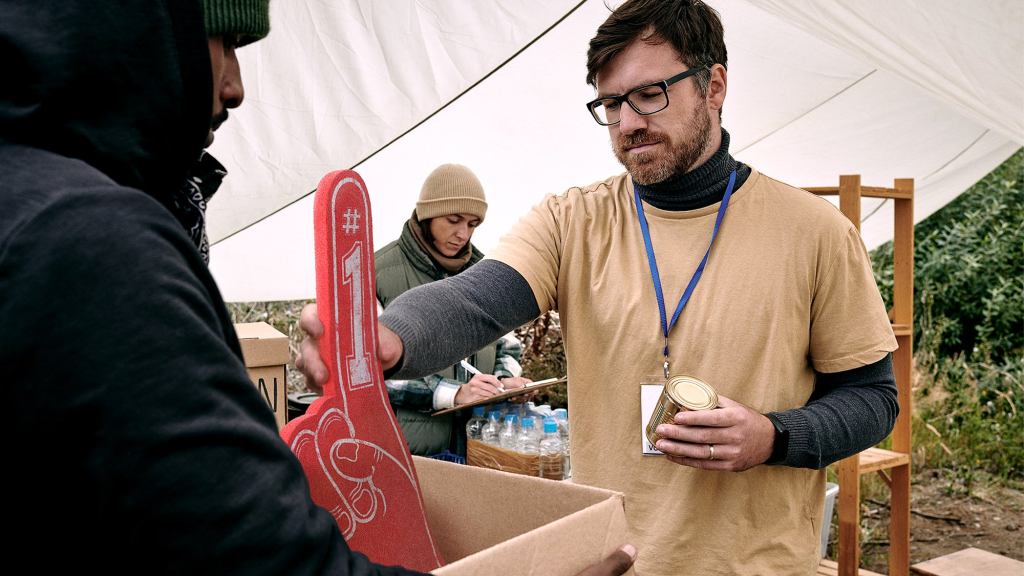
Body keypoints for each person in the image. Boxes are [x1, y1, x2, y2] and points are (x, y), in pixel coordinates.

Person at [0, 0, 635, 574]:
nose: (236, 87)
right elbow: (261, 555)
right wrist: (389, 344)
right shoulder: (88, 239)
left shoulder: (40, 202)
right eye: (221, 42)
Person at [299, 0, 899, 574]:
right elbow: (474, 300)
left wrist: (773, 436)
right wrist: (388, 337)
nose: (629, 123)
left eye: (649, 94)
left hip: (754, 566)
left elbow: (874, 400)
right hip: (610, 561)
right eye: (611, 104)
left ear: (714, 86)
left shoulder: (815, 233)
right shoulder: (573, 222)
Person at [375, 163, 531, 457]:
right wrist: (453, 394)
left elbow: (508, 346)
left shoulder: (487, 272)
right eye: (454, 220)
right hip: (410, 455)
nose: (462, 233)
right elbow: (369, 370)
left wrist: (502, 383)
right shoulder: (377, 273)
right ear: (427, 216)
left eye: (472, 224)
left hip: (479, 449)